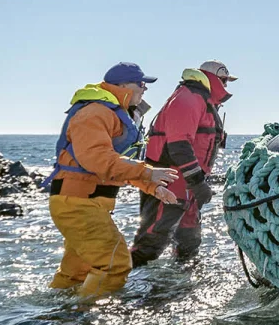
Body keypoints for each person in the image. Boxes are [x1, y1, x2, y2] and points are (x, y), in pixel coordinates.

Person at [47, 64, 182, 298]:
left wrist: (153, 187)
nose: (144, 90)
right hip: (79, 204)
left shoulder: (111, 113)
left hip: (85, 203)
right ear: (123, 86)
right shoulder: (95, 112)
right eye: (141, 84)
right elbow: (98, 159)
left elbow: (118, 168)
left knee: (76, 272)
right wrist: (147, 173)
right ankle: (86, 317)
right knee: (115, 265)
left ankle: (57, 315)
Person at [132, 61, 234, 267]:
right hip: (172, 181)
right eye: (224, 80)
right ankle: (119, 287)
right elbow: (179, 144)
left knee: (189, 240)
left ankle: (179, 288)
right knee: (152, 240)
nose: (226, 86)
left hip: (188, 185)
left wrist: (197, 185)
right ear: (214, 78)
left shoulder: (203, 101)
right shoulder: (189, 98)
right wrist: (197, 182)